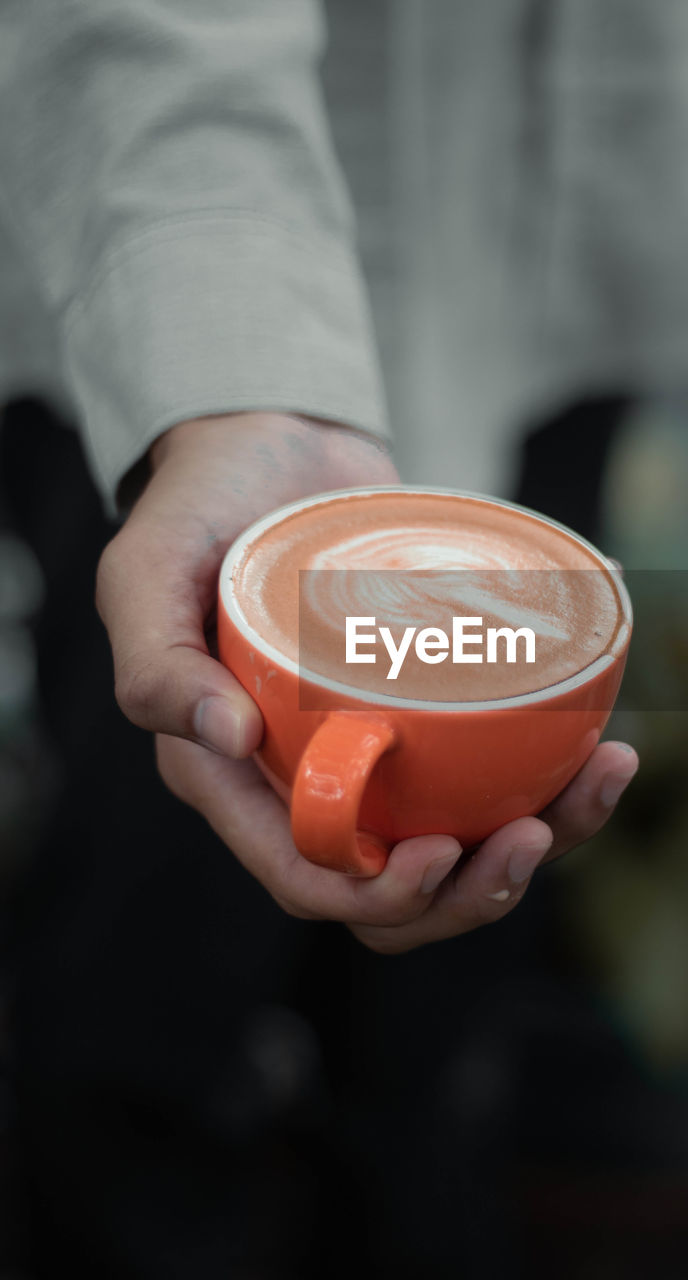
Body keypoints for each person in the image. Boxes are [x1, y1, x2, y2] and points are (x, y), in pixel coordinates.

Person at [0, 2, 638, 956]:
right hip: (158, 309)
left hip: (560, 227)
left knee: (453, 963)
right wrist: (229, 382)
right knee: (137, 889)